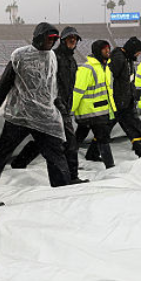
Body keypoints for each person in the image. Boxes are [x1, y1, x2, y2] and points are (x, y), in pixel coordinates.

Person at [0, 23, 72, 187]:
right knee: (4, 148)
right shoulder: (20, 55)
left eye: (54, 39)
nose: (52, 42)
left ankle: (62, 186)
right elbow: (6, 81)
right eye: (49, 38)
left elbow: (52, 86)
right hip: (21, 114)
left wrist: (58, 105)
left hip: (44, 114)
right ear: (39, 37)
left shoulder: (51, 56)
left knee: (55, 151)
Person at [10, 25, 85, 183]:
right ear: (63, 40)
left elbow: (68, 87)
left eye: (75, 39)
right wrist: (56, 104)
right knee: (70, 143)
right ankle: (73, 177)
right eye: (70, 38)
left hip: (63, 105)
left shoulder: (72, 60)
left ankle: (19, 162)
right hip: (54, 106)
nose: (73, 41)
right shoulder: (53, 56)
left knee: (44, 142)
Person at [72, 40, 116, 169]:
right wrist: (70, 110)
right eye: (105, 49)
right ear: (97, 51)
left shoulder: (105, 68)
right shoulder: (87, 69)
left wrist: (112, 109)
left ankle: (69, 162)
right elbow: (77, 91)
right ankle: (110, 166)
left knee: (78, 138)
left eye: (109, 49)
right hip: (90, 112)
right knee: (103, 138)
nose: (108, 51)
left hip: (99, 111)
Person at [103, 36, 141, 157]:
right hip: (119, 101)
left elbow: (129, 81)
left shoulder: (127, 58)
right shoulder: (118, 58)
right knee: (110, 128)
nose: (138, 55)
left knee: (133, 125)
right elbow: (111, 80)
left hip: (126, 100)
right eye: (138, 52)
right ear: (132, 49)